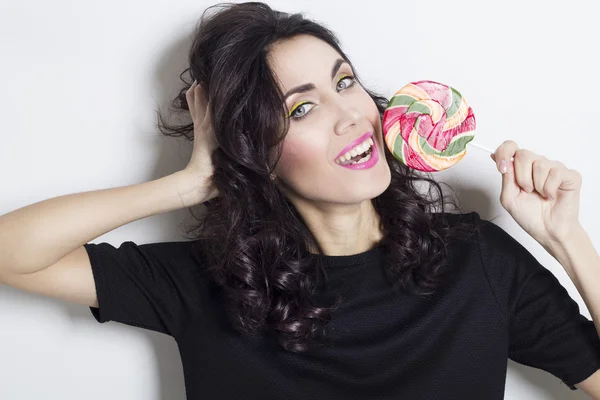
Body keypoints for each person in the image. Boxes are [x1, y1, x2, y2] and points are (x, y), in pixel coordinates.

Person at [1, 2, 600, 399]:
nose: (351, 117)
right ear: (254, 150)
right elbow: (10, 253)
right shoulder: (206, 281)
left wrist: (568, 240)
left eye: (345, 83)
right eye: (302, 108)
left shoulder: (479, 259)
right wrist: (188, 183)